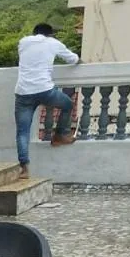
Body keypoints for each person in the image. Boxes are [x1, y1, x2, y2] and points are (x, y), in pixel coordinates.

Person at [14, 23, 80, 178]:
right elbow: (73, 59)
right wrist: (79, 60)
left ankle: (24, 168)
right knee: (67, 105)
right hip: (45, 90)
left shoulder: (23, 42)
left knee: (22, 131)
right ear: (50, 34)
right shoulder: (53, 43)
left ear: (34, 33)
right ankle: (59, 135)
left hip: (23, 92)